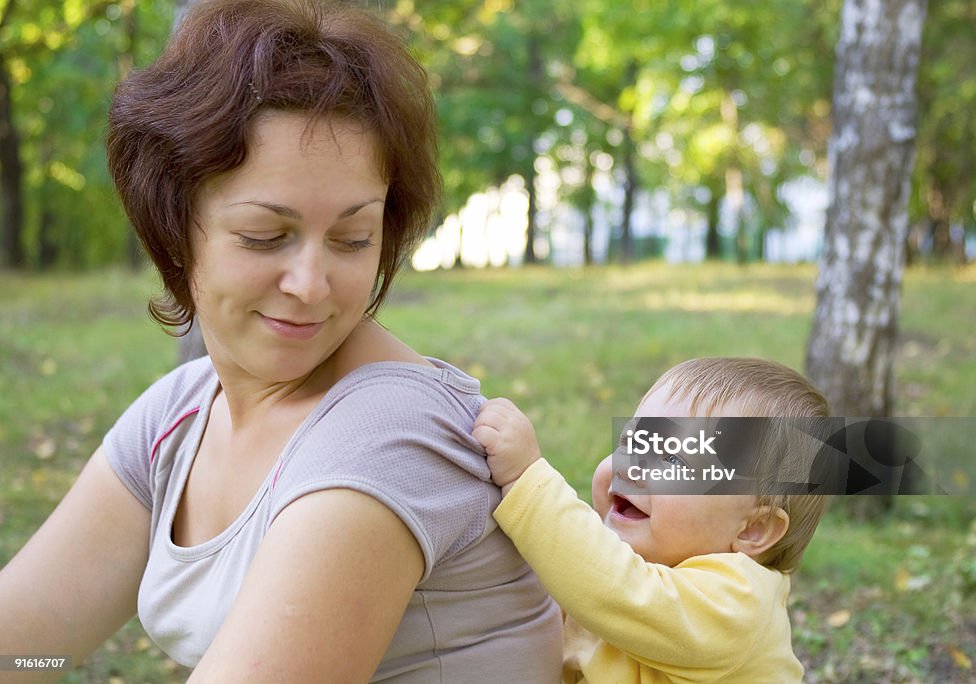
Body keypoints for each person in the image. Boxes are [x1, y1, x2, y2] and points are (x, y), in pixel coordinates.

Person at [0, 0, 561, 681]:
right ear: (173, 226)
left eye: (354, 239)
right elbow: (27, 647)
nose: (312, 284)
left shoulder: (390, 435)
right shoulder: (179, 416)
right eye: (266, 236)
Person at [472, 357, 832, 683]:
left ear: (753, 529)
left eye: (674, 460)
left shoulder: (738, 603)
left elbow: (614, 589)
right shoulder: (630, 561)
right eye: (633, 441)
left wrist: (526, 481)